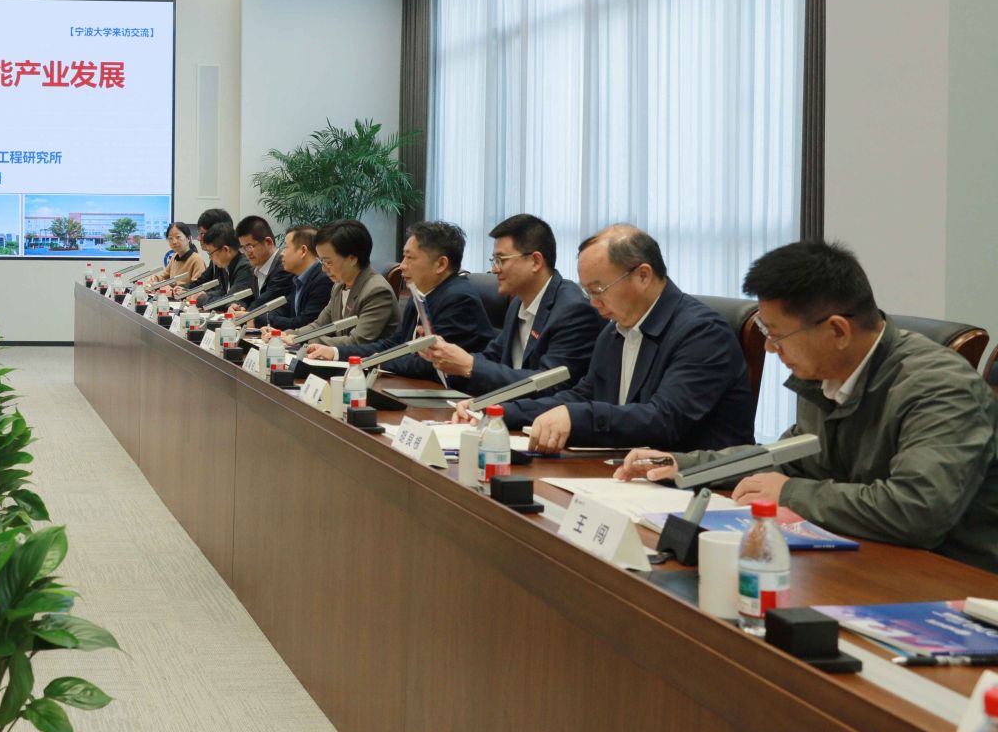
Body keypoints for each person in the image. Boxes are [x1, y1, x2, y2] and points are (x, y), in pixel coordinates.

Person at [617, 241, 998, 572]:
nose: (770, 348)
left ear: (837, 330)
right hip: (864, 557)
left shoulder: (941, 387)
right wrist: (685, 465)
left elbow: (918, 509)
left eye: (777, 335)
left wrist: (789, 494)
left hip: (953, 578)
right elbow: (789, 459)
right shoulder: (824, 371)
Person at [466, 224, 755, 454]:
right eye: (587, 291)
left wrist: (575, 418)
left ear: (643, 276)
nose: (593, 303)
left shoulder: (702, 333)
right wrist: (500, 411)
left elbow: (664, 420)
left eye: (598, 290)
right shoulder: (615, 329)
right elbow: (583, 394)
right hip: (625, 469)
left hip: (698, 487)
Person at [422, 213, 602, 392]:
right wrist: (445, 357)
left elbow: (549, 384)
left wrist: (470, 366)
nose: (494, 269)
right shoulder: (518, 303)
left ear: (535, 261)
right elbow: (493, 357)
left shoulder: (573, 310)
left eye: (501, 260)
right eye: (494, 260)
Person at [309, 221, 492, 371]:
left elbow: (432, 363)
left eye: (410, 258)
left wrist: (379, 361)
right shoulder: (421, 293)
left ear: (441, 264)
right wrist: (335, 352)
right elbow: (392, 345)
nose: (402, 265)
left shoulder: (459, 299)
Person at [305, 219, 393, 344]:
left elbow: (357, 341)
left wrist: (310, 340)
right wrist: (289, 336)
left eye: (328, 262)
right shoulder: (339, 286)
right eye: (321, 261)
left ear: (352, 259)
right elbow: (319, 326)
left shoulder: (377, 291)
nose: (324, 269)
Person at [265, 225, 332, 332]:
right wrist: (268, 318)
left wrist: (267, 320)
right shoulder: (298, 278)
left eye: (286, 247)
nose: (282, 253)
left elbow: (303, 323)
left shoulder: (323, 280)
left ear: (303, 251)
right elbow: (284, 309)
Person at [237, 215, 295, 323]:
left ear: (268, 242)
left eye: (249, 246)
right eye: (243, 248)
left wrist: (243, 314)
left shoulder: (284, 268)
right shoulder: (254, 269)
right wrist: (239, 306)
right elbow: (248, 297)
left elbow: (264, 302)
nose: (247, 253)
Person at [196, 224, 256, 303]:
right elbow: (223, 291)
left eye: (210, 253)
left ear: (226, 250)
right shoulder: (227, 264)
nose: (210, 258)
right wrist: (205, 294)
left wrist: (201, 299)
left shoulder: (244, 267)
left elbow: (230, 300)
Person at [159, 223, 208, 287]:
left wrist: (176, 284)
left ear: (188, 238)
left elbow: (197, 286)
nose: (174, 242)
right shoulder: (174, 257)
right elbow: (164, 277)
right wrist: (155, 279)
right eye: (170, 238)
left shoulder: (197, 260)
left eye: (178, 237)